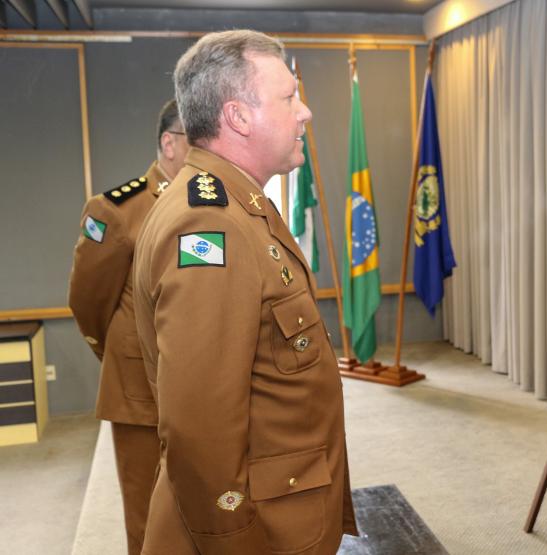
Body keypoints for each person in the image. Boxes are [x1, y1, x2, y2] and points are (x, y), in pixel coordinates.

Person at [133, 30, 356, 554]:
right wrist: (233, 541)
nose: (305, 113)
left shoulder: (239, 204)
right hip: (260, 529)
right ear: (238, 117)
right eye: (288, 98)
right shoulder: (212, 228)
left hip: (287, 498)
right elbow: (199, 428)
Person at [67, 99, 188, 555]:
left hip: (200, 387)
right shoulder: (116, 210)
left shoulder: (211, 204)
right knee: (146, 515)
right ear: (168, 143)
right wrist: (121, 356)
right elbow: (88, 300)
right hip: (139, 390)